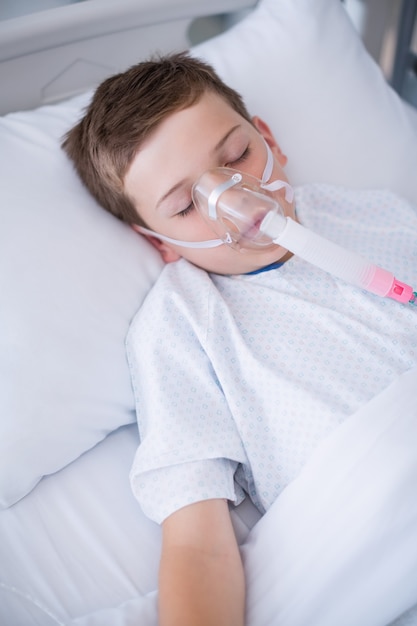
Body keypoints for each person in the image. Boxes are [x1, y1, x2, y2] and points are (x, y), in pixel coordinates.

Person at [62, 52, 417, 626]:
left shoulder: (372, 213)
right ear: (159, 241)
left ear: (269, 139)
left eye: (236, 156)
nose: (236, 196)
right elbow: (198, 543)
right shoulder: (182, 326)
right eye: (184, 205)